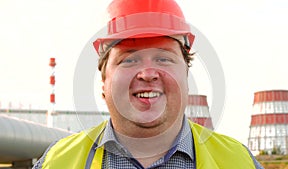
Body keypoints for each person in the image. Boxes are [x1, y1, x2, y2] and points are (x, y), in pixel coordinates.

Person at [33, 0, 263, 168]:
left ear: (186, 76)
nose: (147, 74)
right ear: (104, 82)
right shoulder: (56, 163)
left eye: (163, 58)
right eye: (129, 59)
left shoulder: (239, 162)